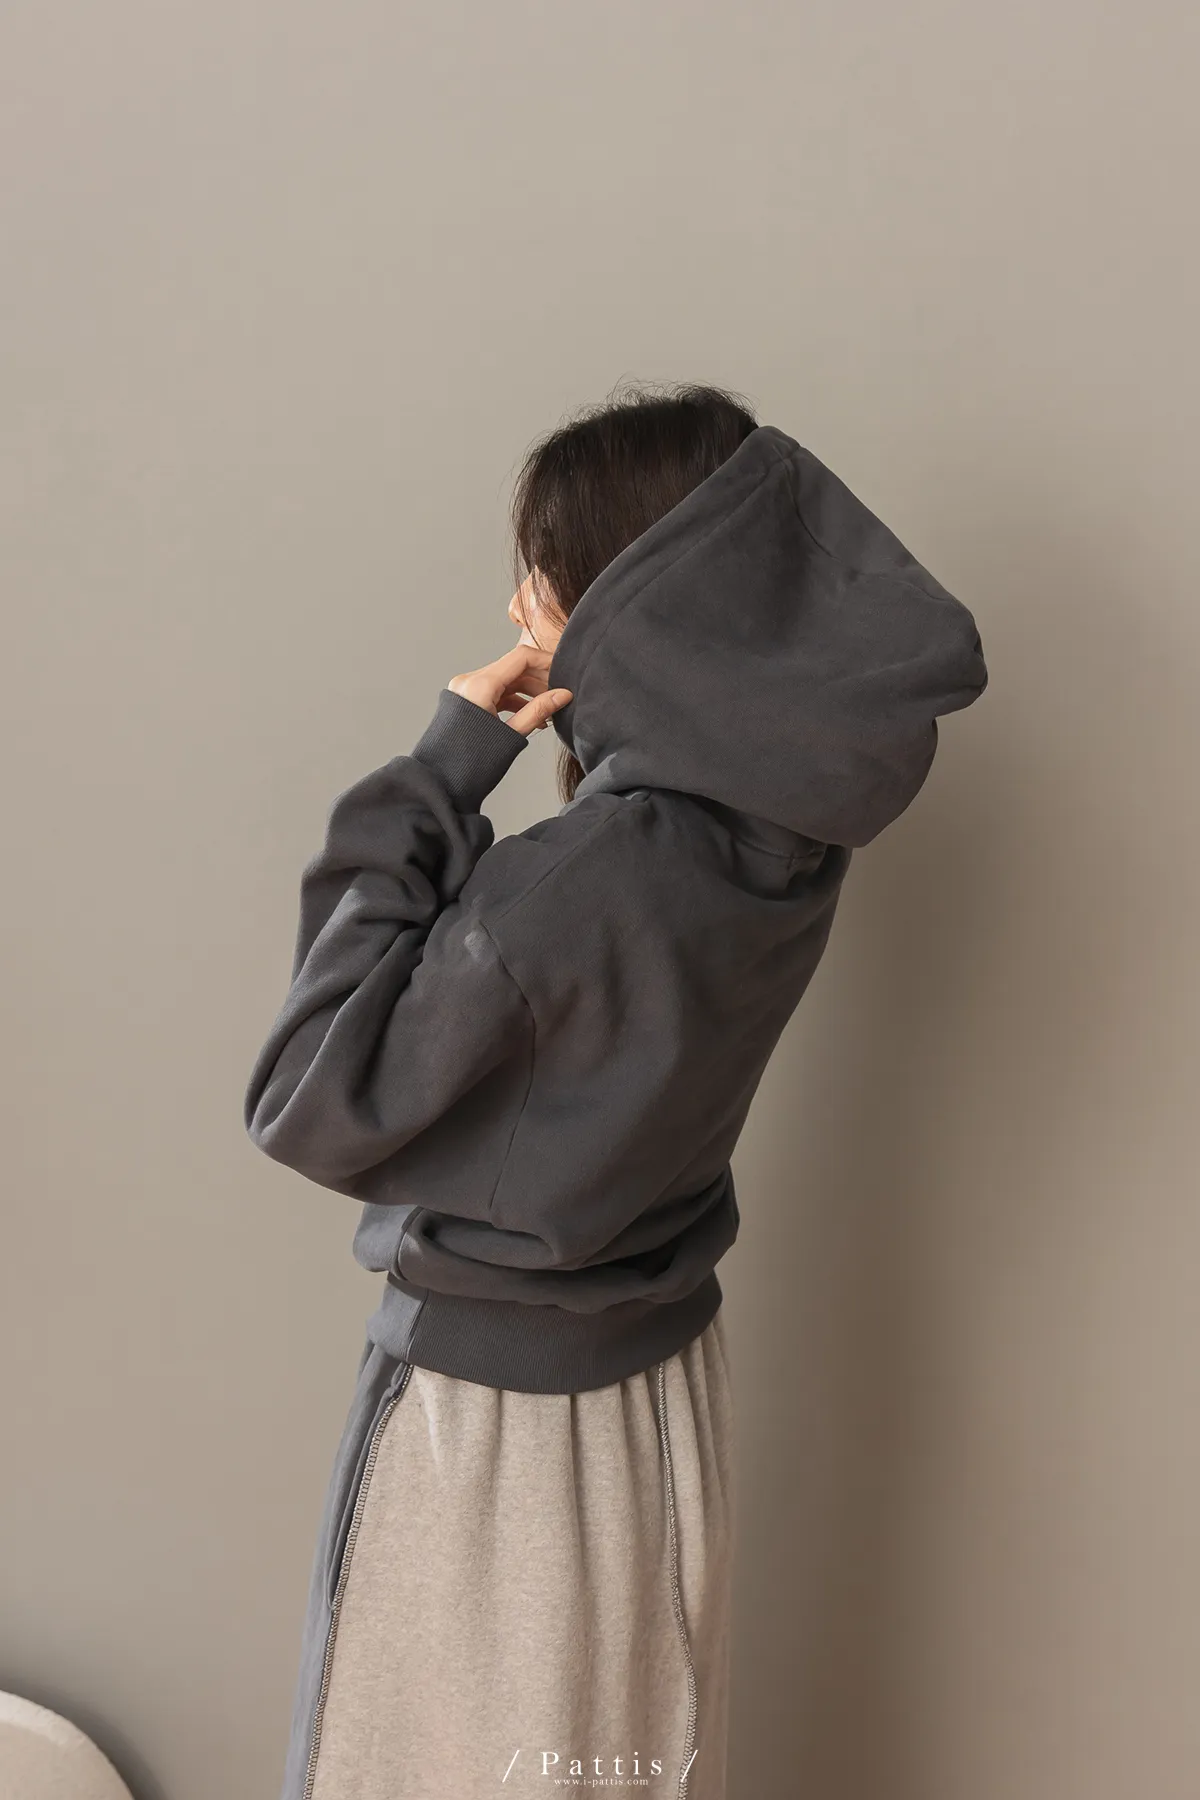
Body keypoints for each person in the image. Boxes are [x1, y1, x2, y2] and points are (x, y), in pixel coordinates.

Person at [243, 381, 989, 1800]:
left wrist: (444, 765)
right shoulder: (786, 836)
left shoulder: (575, 886)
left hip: (499, 1438)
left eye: (544, 576)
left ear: (628, 595)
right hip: (658, 1407)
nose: (521, 606)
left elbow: (306, 1090)